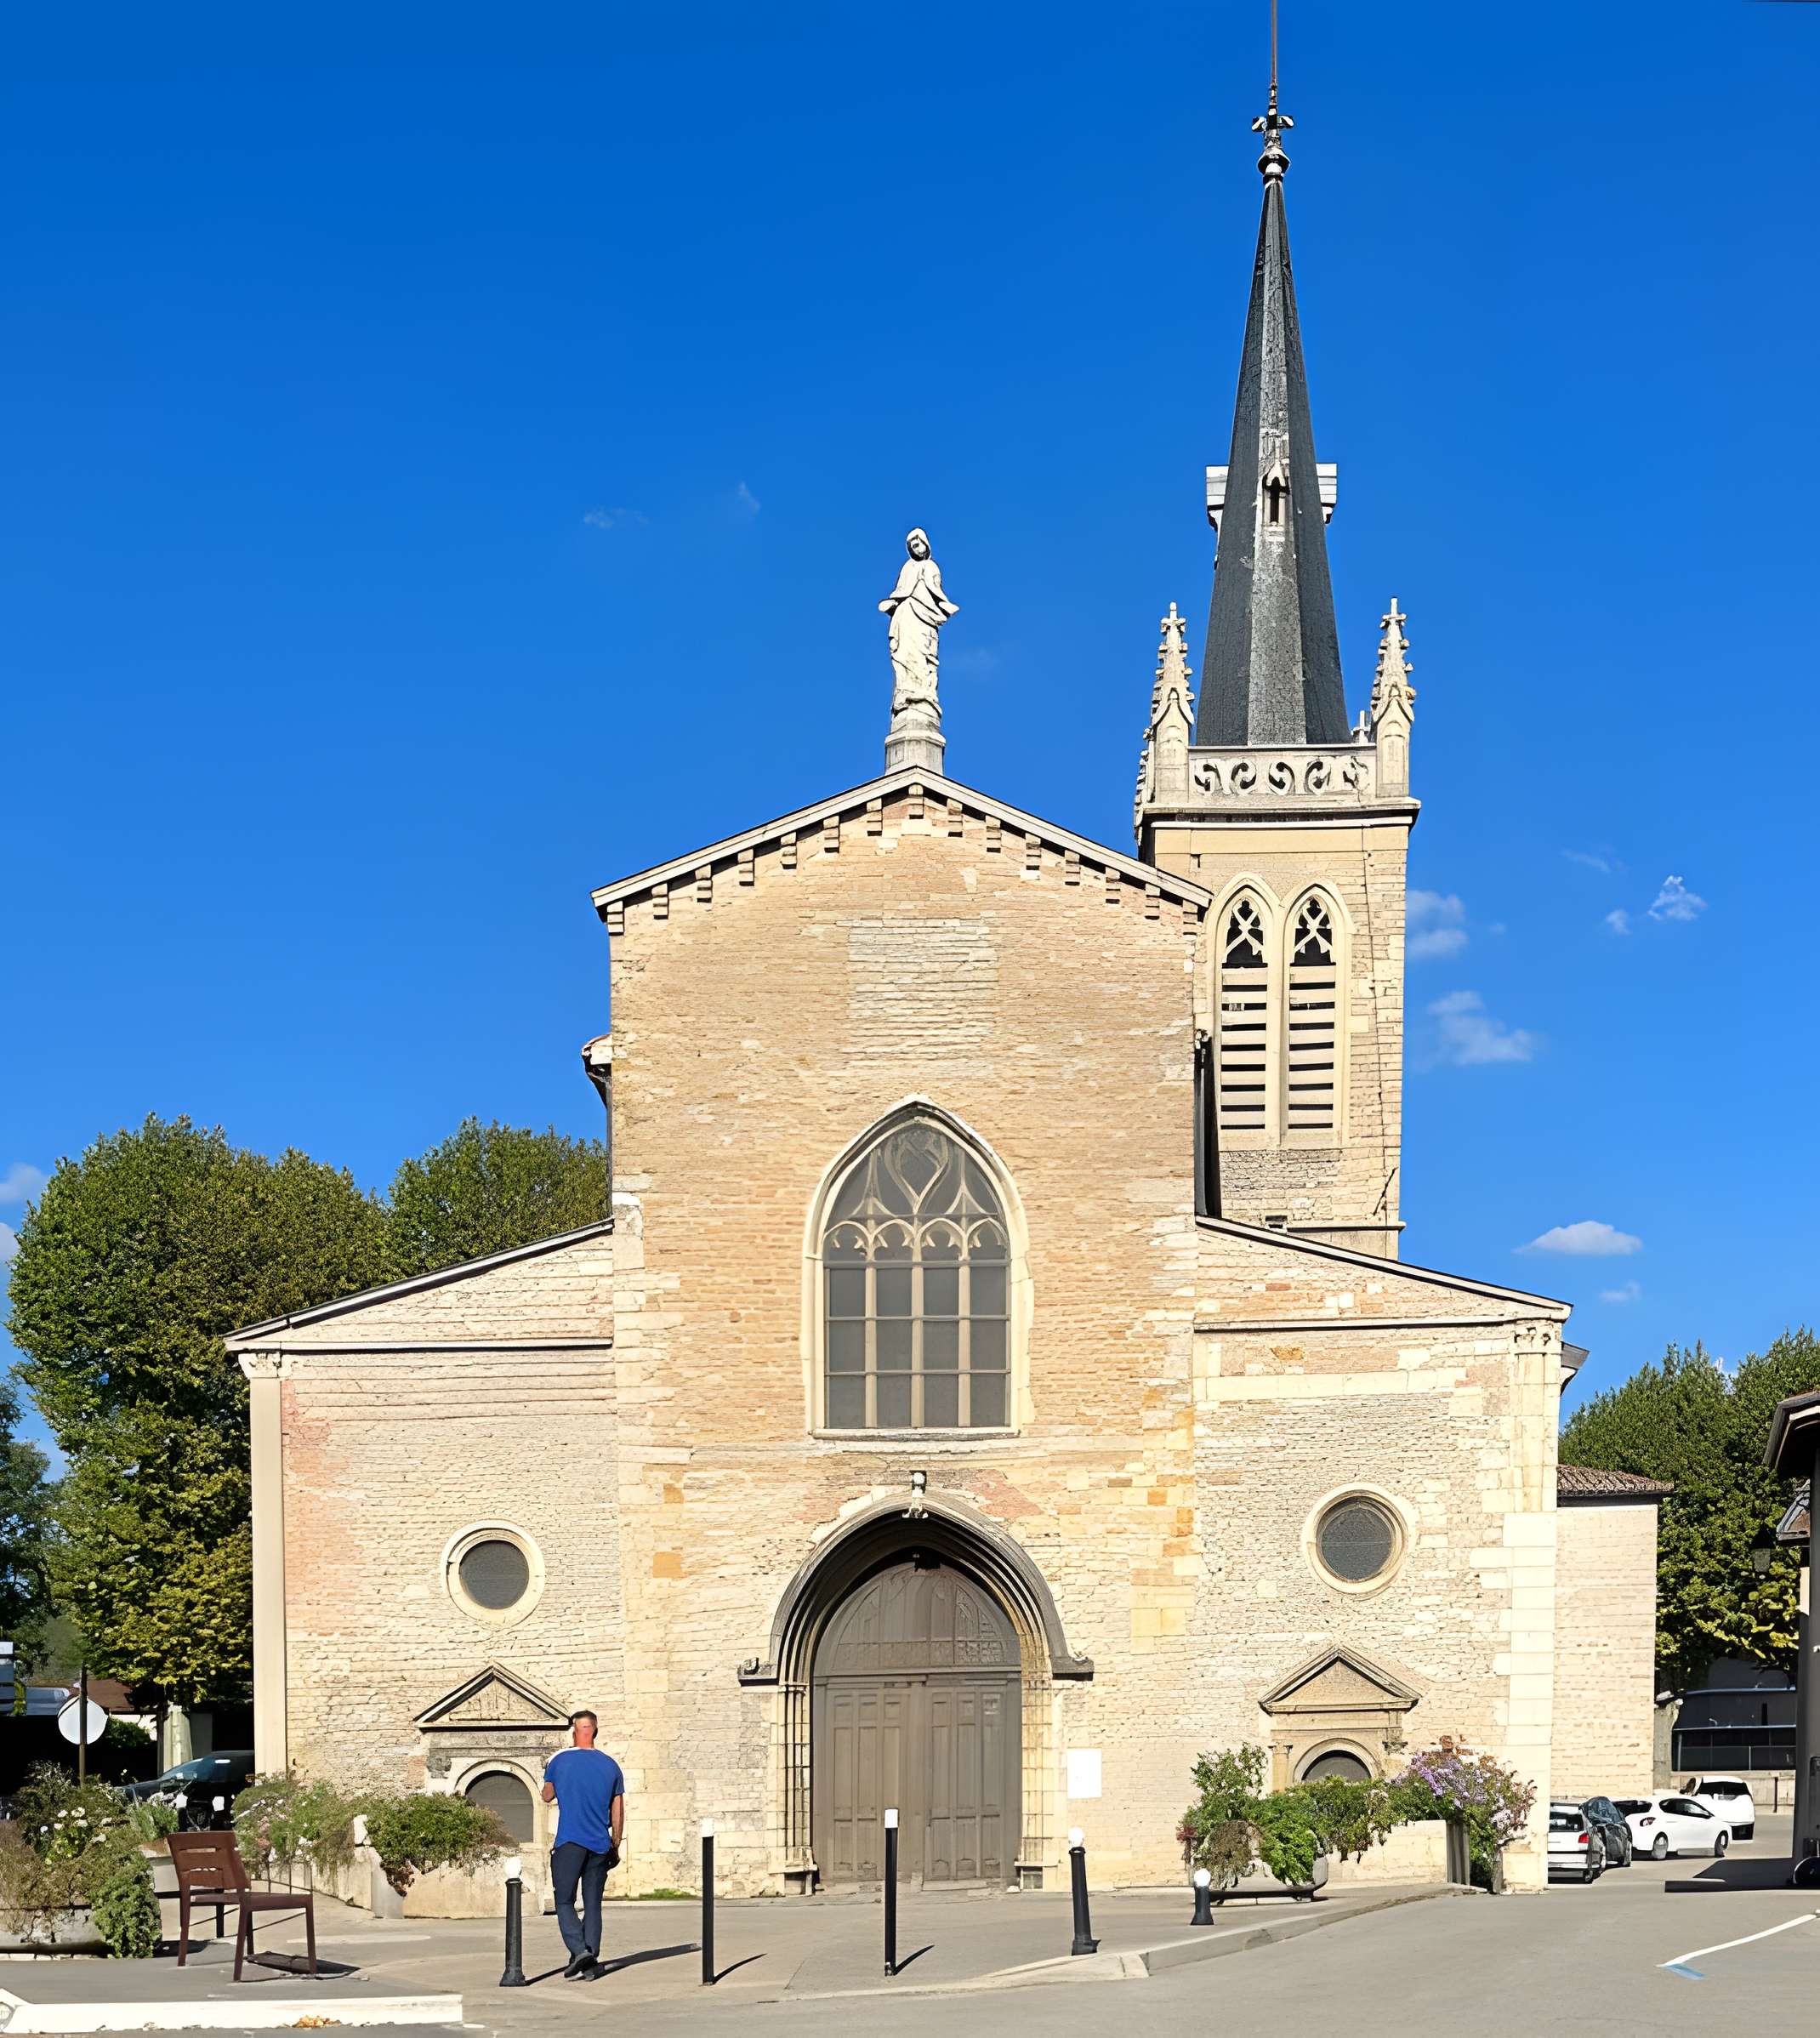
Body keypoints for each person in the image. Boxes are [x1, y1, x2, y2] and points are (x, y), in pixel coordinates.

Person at [541, 1710, 625, 1978]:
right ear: (596, 1731)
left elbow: (546, 1796)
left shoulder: (559, 1760)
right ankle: (591, 1958)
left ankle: (579, 1951)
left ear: (574, 1730)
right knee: (593, 1904)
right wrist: (616, 1842)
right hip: (600, 1844)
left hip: (570, 1842)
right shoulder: (611, 1765)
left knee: (564, 1901)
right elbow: (618, 1808)